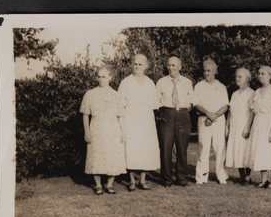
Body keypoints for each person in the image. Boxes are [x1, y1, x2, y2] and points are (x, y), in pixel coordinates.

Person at [80, 65, 126, 195]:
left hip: (112, 130)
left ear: (110, 77)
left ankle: (110, 184)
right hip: (96, 129)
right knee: (96, 156)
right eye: (99, 77)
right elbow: (85, 115)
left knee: (113, 156)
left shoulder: (116, 95)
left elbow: (121, 115)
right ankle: (98, 185)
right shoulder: (90, 94)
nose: (101, 79)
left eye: (104, 77)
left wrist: (123, 132)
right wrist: (87, 132)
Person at [118, 54, 160, 191]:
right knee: (132, 148)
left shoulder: (149, 82)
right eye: (135, 64)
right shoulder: (126, 82)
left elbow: (154, 103)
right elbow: (120, 103)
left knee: (145, 148)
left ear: (146, 66)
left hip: (146, 118)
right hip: (131, 117)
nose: (137, 67)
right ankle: (131, 181)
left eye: (140, 64)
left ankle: (142, 180)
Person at [155, 56, 197, 187]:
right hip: (166, 114)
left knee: (181, 148)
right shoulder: (161, 82)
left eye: (173, 65)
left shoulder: (187, 82)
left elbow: (192, 99)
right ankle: (166, 179)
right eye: (169, 65)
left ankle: (182, 179)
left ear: (180, 66)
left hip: (183, 115)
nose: (171, 68)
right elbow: (156, 100)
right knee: (166, 147)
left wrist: (186, 107)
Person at [193, 59, 230, 184]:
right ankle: (201, 177)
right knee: (203, 148)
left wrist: (214, 116)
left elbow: (225, 105)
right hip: (203, 120)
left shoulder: (221, 87)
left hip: (218, 120)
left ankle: (222, 176)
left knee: (220, 148)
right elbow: (196, 104)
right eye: (204, 71)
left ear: (215, 71)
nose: (206, 73)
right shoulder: (198, 86)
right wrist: (207, 114)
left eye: (209, 71)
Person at [247, 65, 271, 189]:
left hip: (269, 124)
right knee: (260, 151)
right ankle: (263, 180)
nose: (260, 76)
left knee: (270, 151)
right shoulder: (257, 92)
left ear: (270, 76)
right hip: (258, 124)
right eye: (259, 74)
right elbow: (252, 108)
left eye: (263, 74)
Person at [224, 68, 255, 185]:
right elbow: (230, 111)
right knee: (236, 150)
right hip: (234, 125)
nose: (237, 79)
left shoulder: (251, 93)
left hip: (244, 124)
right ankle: (241, 175)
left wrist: (247, 127)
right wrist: (227, 126)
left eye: (240, 77)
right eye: (236, 76)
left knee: (245, 150)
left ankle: (247, 176)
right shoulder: (234, 94)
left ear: (247, 78)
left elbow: (252, 112)